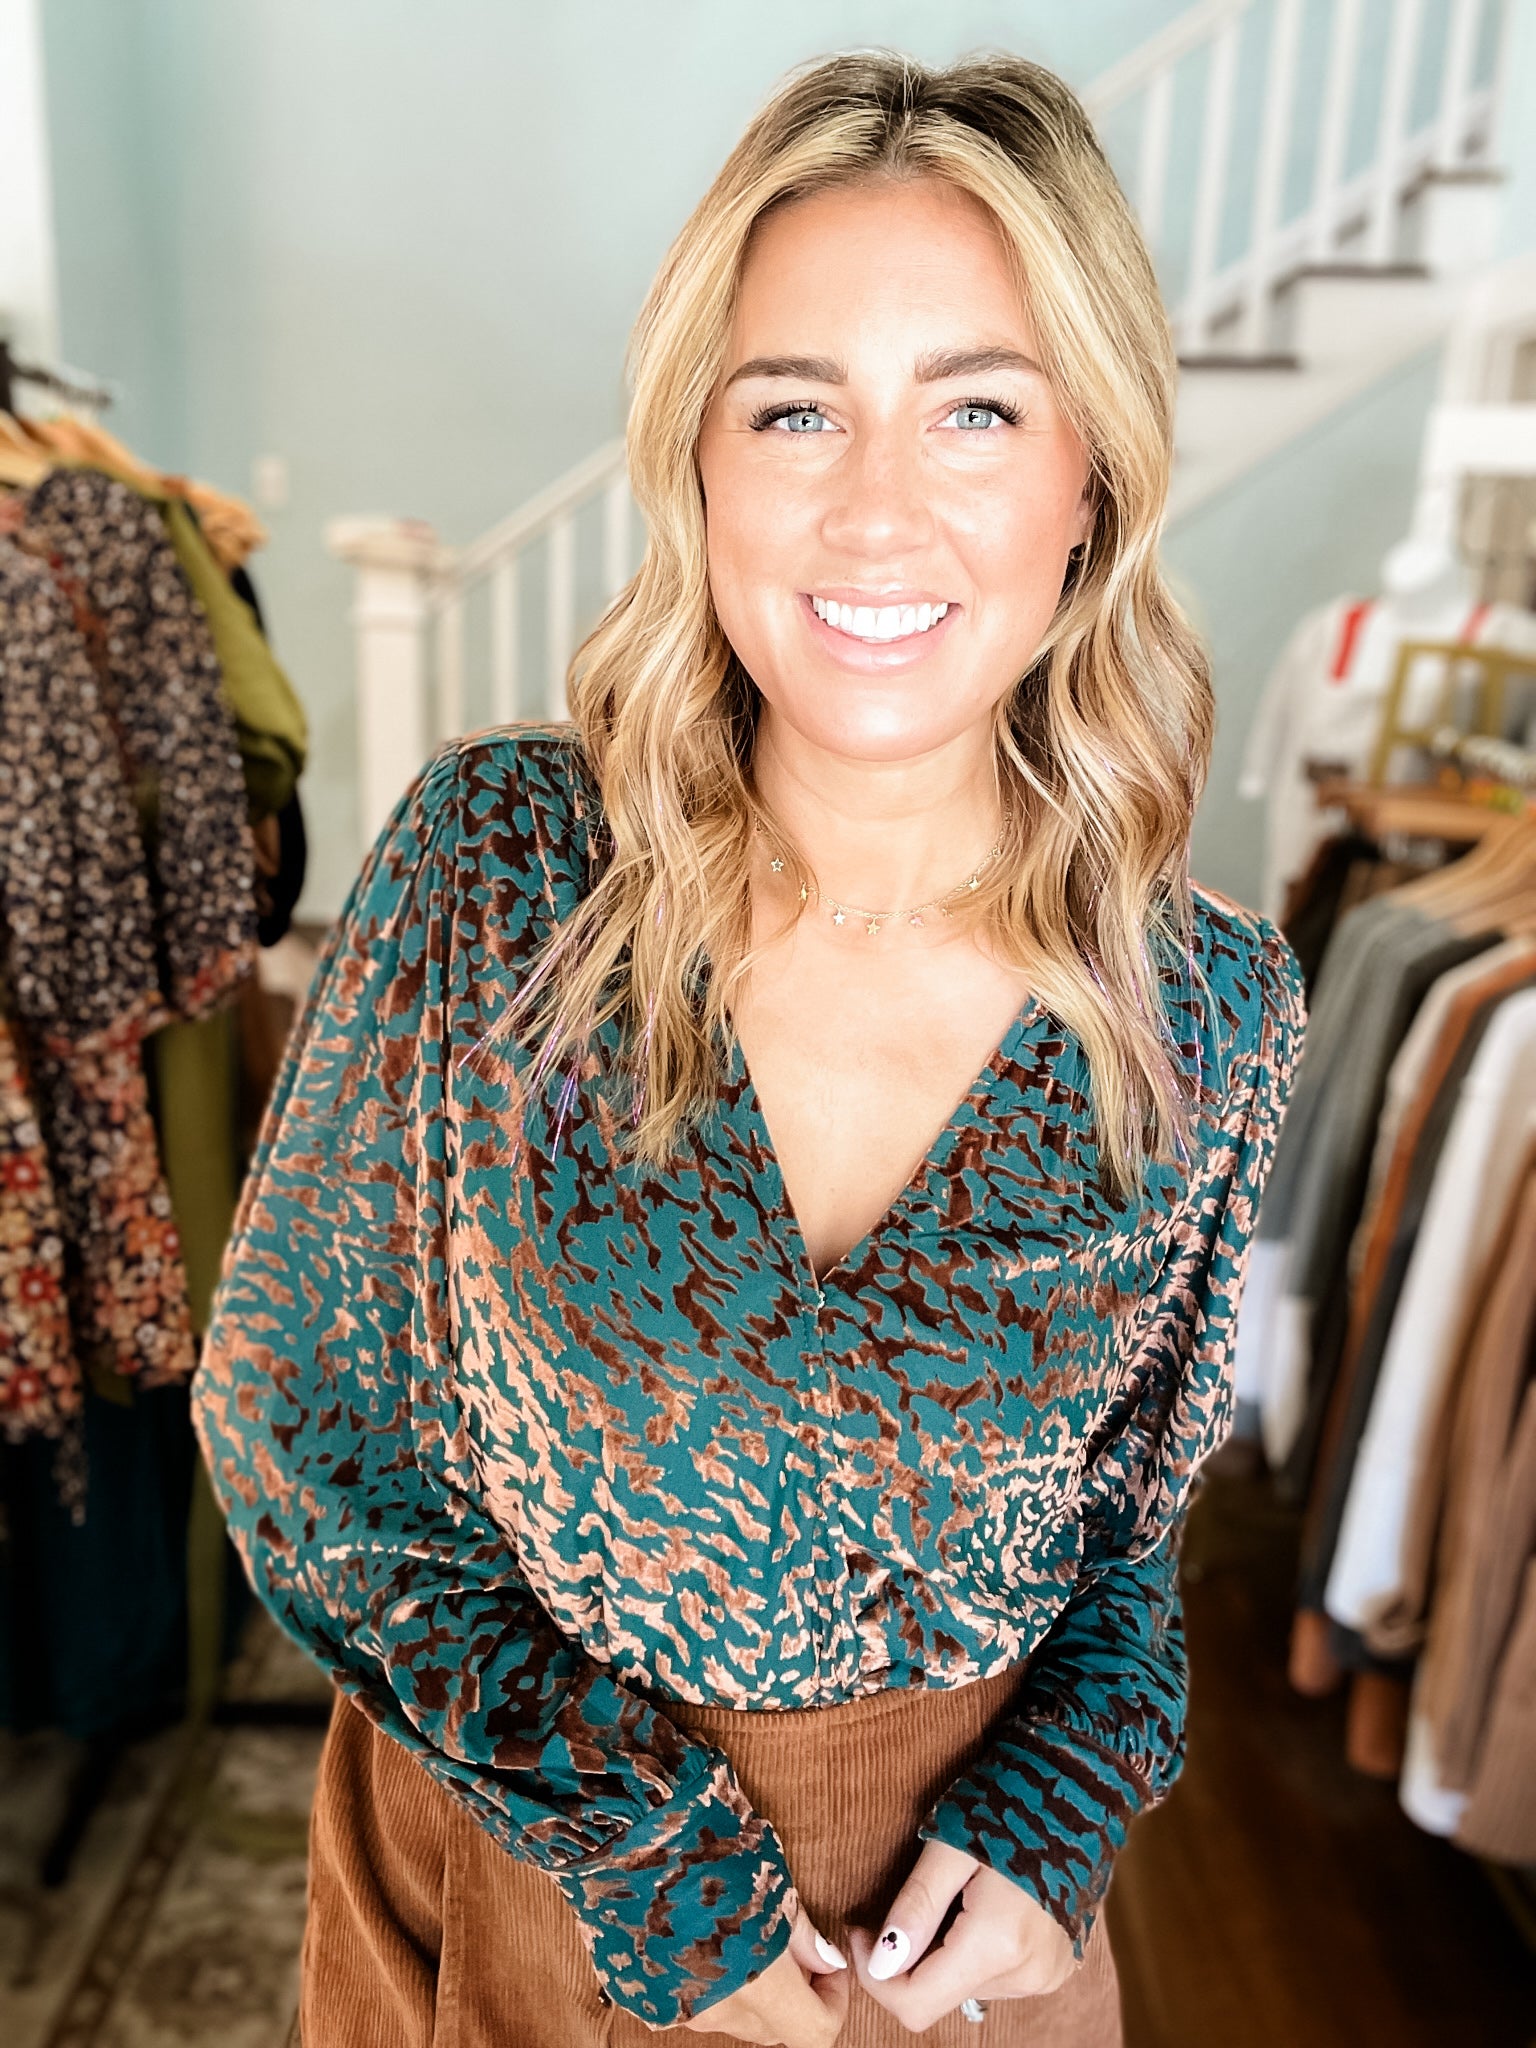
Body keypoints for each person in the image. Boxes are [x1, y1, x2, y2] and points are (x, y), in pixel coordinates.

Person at [192, 48, 1304, 2048]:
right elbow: (303, 1425)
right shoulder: (501, 872)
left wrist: (1056, 1818)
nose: (875, 508)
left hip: (962, 1960)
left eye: (976, 409)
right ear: (698, 462)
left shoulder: (1204, 1007)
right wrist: (649, 1860)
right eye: (796, 408)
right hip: (529, 1893)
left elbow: (1131, 1548)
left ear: (1091, 479)